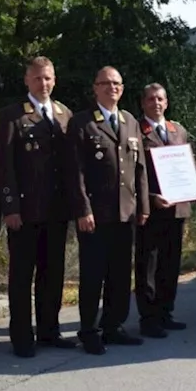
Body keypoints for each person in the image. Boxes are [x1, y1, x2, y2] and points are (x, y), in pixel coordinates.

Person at [0, 56, 78, 358]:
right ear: (27, 81)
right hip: (25, 213)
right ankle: (21, 336)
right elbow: (3, 167)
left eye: (49, 78)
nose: (44, 83)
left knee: (52, 273)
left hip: (57, 211)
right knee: (21, 276)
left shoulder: (64, 114)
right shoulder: (12, 116)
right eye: (38, 78)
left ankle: (49, 330)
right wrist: (10, 207)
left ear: (55, 80)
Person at [68, 66, 150, 355]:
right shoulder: (82, 122)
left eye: (116, 83)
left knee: (119, 274)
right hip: (95, 215)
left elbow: (140, 169)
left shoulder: (130, 121)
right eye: (105, 83)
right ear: (95, 87)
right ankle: (90, 330)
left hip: (125, 213)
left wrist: (144, 207)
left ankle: (114, 326)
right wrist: (83, 210)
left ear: (122, 88)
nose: (111, 87)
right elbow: (74, 171)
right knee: (93, 275)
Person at [135, 83, 193, 338]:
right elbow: (133, 172)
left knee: (171, 263)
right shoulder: (136, 130)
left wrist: (191, 191)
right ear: (143, 103)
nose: (155, 103)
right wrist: (148, 198)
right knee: (148, 264)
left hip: (176, 208)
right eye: (150, 99)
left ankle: (165, 312)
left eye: (160, 99)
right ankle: (148, 317)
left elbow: (187, 165)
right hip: (151, 209)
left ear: (166, 103)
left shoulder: (177, 129)